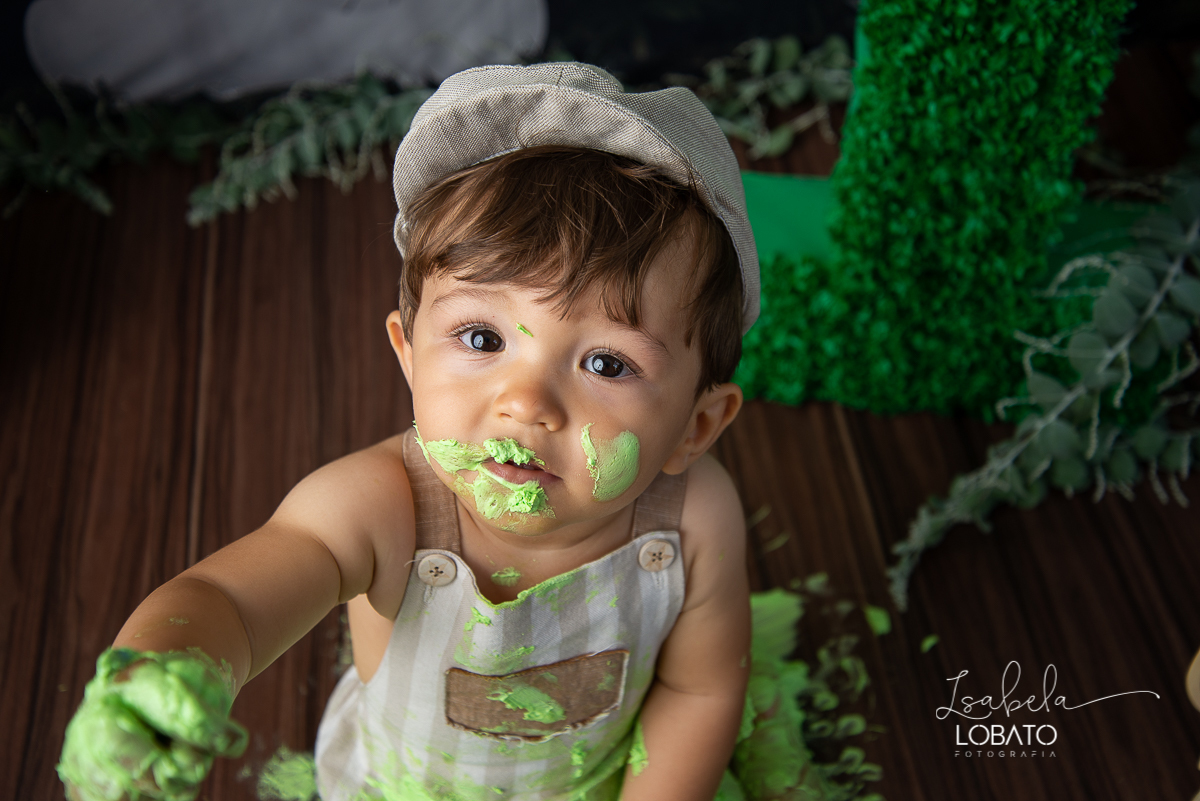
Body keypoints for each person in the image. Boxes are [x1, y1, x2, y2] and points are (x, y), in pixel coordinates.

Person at [58, 61, 762, 801]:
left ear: (697, 424)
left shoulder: (692, 520)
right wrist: (164, 671)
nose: (525, 402)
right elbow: (227, 601)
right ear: (407, 352)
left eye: (606, 362)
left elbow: (698, 692)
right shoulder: (381, 505)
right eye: (483, 339)